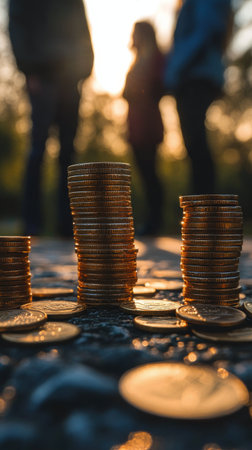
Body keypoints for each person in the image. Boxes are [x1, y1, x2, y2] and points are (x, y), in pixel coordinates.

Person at [8, 0, 94, 236]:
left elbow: (82, 27)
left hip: (71, 77)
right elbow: (16, 25)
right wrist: (28, 69)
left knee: (68, 152)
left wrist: (85, 69)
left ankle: (66, 224)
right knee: (38, 149)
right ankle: (32, 222)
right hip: (41, 75)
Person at [164, 0, 233, 194]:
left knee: (195, 143)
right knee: (194, 143)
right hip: (196, 75)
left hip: (195, 76)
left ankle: (205, 207)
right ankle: (203, 206)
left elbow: (206, 31)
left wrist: (177, 70)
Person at [123, 21, 165, 236]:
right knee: (143, 173)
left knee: (150, 172)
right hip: (134, 125)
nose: (134, 36)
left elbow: (160, 86)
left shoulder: (157, 58)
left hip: (149, 123)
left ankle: (155, 220)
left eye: (136, 33)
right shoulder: (136, 61)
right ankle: (150, 219)